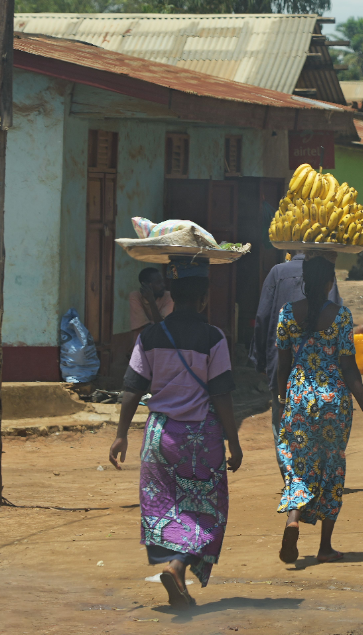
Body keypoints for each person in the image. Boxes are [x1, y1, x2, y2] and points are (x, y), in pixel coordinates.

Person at [109, 259, 242, 609]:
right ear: (203, 299)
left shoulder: (151, 336)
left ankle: (176, 571)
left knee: (166, 506)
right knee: (205, 509)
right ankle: (178, 565)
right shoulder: (213, 337)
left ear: (172, 294)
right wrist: (234, 441)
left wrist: (121, 434)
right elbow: (221, 394)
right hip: (200, 439)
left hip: (159, 438)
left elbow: (132, 388)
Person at [275, 256, 363, 565]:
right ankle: (324, 546)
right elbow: (350, 369)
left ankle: (293, 518)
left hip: (298, 397)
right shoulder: (341, 316)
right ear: (330, 282)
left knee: (298, 464)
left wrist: (283, 400)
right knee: (332, 468)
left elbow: (282, 364)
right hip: (334, 401)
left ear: (304, 281)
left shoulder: (288, 314)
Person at [251, 251, 342, 455]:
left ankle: (291, 478)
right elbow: (336, 312)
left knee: (283, 427)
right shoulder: (328, 273)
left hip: (282, 363)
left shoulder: (277, 272)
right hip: (323, 368)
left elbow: (263, 318)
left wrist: (261, 361)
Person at [128, 267, 174, 334]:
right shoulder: (135, 296)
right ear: (146, 285)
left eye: (162, 281)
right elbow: (141, 326)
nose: (163, 285)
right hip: (143, 339)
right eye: (158, 282)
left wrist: (151, 301)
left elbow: (162, 326)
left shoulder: (168, 296)